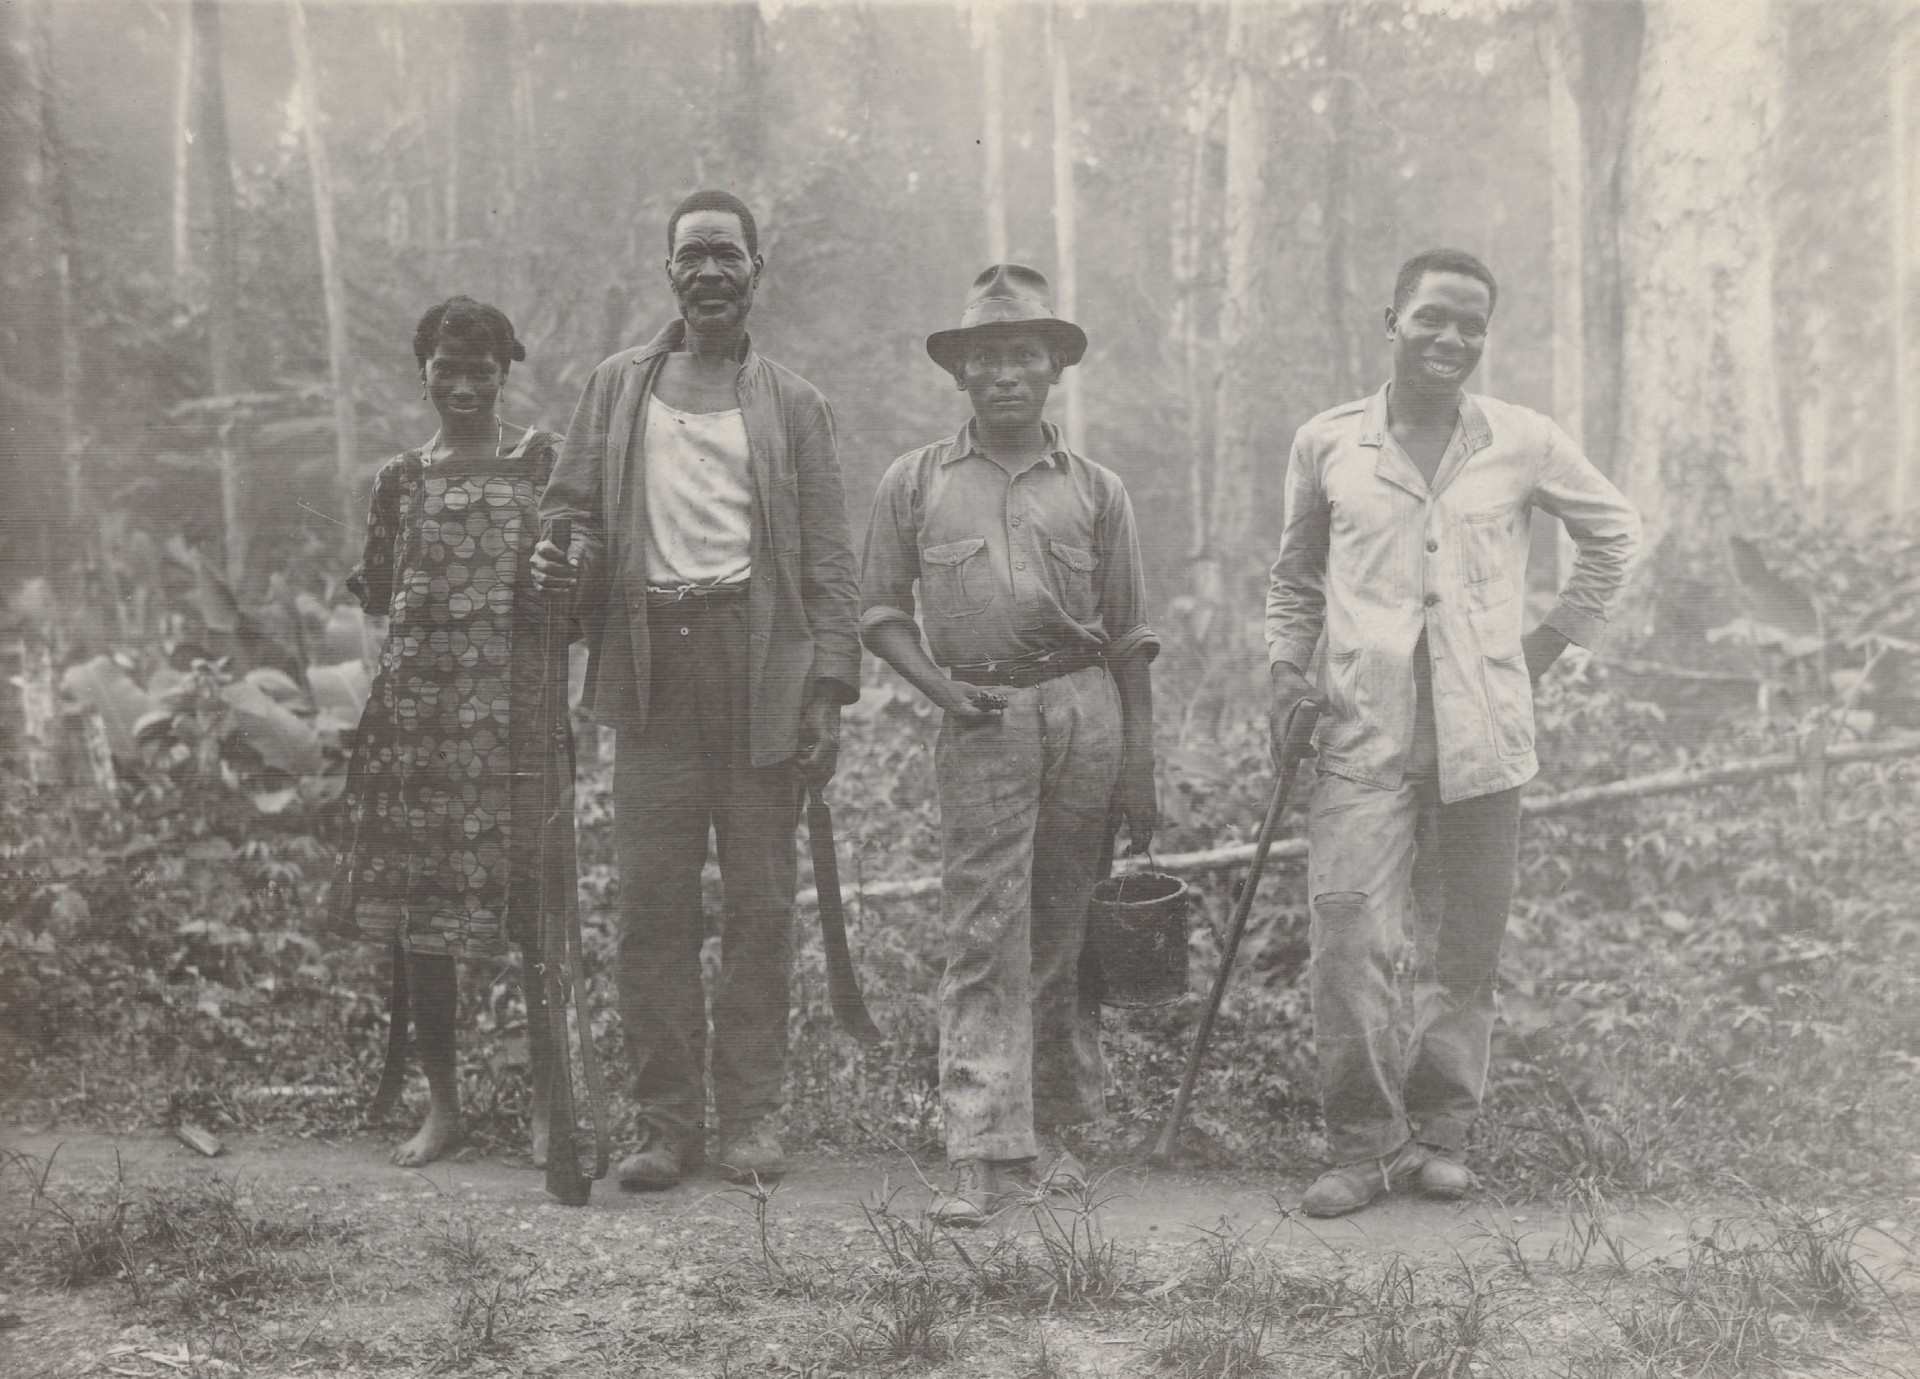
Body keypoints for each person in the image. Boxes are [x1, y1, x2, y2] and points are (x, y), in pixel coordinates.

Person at [1265, 249, 1641, 1217]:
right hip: (1359, 734)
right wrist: (1282, 673)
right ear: (1391, 318)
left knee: (1462, 949)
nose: (1451, 339)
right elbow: (1295, 577)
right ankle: (1362, 1143)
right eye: (1433, 318)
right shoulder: (1329, 442)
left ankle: (1441, 1133)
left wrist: (1551, 641)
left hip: (1486, 741)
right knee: (1347, 940)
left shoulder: (1522, 439)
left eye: (1472, 325)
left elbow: (1616, 531)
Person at [533, 190, 861, 1190]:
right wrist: (565, 563)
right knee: (652, 905)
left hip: (759, 665)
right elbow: (573, 513)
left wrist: (828, 688)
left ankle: (752, 1115)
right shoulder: (619, 386)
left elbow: (829, 563)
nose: (710, 272)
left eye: (728, 255)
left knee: (762, 903)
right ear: (668, 272)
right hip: (650, 670)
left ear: (757, 272)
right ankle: (665, 1122)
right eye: (693, 256)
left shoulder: (794, 403)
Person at [860, 264, 1159, 1227]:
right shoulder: (915, 482)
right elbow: (878, 613)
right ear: (960, 373)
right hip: (980, 718)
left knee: (1065, 926)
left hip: (1085, 716)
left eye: (1022, 354)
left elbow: (1131, 637)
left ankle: (1063, 1133)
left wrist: (1141, 761)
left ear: (1053, 367)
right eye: (985, 356)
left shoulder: (1098, 490)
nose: (1003, 375)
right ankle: (984, 1152)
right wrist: (943, 689)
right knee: (983, 930)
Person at [330, 296, 568, 1168]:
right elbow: (381, 597)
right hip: (421, 733)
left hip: (517, 728)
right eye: (447, 371)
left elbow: (580, 590)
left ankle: (552, 1106)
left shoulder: (543, 463)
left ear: (505, 373)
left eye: (481, 371)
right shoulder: (400, 478)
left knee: (536, 918)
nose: (464, 387)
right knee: (420, 923)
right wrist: (389, 709)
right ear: (424, 373)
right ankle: (445, 1107)